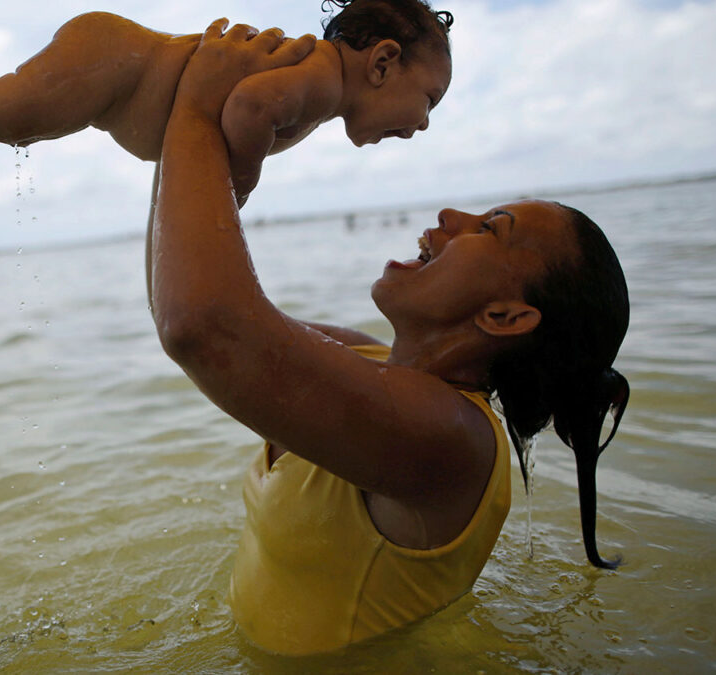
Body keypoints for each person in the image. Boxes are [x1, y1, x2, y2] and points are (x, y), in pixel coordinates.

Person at [148, 21, 631, 654]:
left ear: (506, 318)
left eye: (489, 230)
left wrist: (189, 113)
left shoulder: (454, 443)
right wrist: (204, 128)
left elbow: (202, 324)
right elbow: (187, 295)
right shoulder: (361, 355)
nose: (449, 218)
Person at [0, 1, 453, 202]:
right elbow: (248, 110)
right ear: (383, 61)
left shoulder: (320, 88)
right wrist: (240, 185)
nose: (425, 124)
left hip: (113, 69)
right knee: (1, 112)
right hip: (114, 59)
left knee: (10, 121)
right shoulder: (316, 76)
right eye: (429, 99)